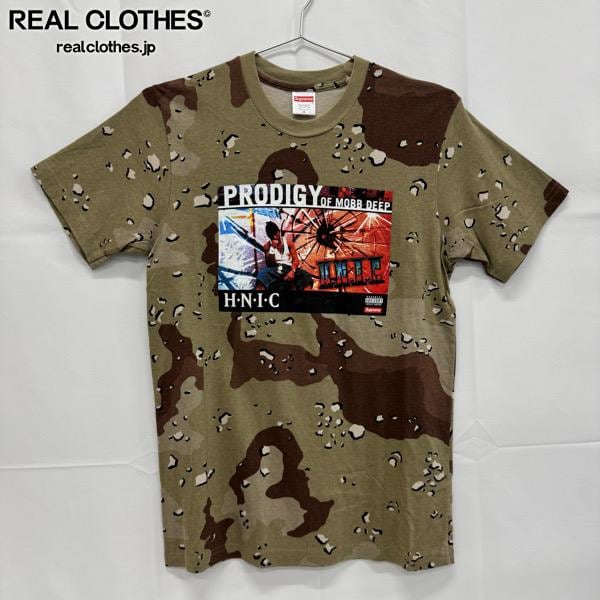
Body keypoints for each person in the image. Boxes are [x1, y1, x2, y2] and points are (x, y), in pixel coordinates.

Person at [255, 221, 313, 292]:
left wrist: (293, 271)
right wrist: (272, 249)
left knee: (306, 277)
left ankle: (307, 298)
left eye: (275, 234)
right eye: (272, 236)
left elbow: (295, 260)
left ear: (278, 232)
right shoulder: (267, 246)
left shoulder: (288, 242)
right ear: (269, 236)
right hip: (276, 269)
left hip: (288, 268)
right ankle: (260, 298)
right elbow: (270, 264)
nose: (274, 237)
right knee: (261, 275)